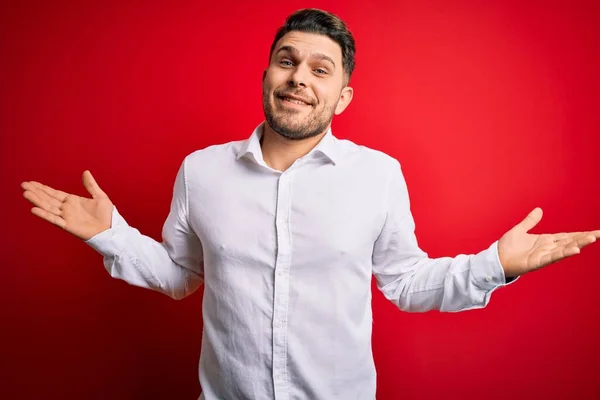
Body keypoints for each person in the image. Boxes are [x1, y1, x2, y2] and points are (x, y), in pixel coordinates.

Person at [20, 8, 599, 400]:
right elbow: (181, 277)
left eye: (320, 70)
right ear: (267, 73)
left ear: (342, 95)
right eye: (287, 61)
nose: (300, 78)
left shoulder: (378, 175)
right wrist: (111, 234)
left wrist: (494, 267)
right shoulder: (201, 171)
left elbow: (405, 281)